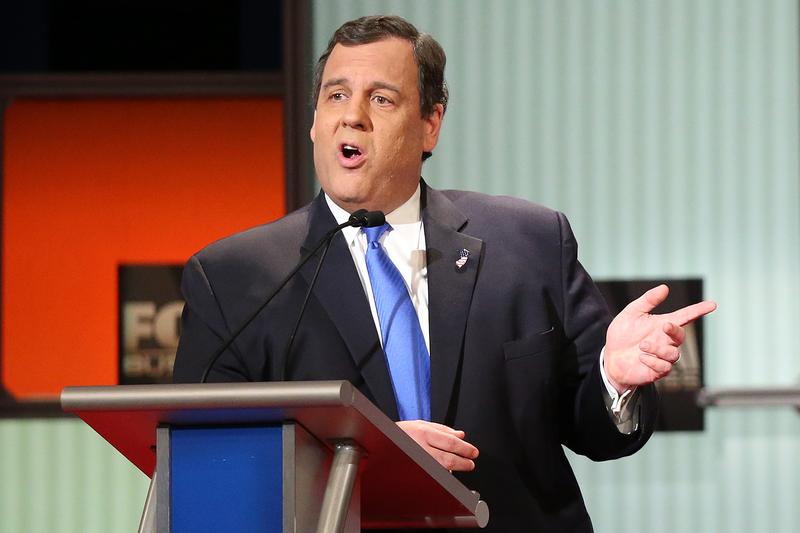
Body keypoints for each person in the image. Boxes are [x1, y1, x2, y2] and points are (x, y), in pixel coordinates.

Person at [173, 15, 716, 531]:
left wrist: (613, 379)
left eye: (380, 99)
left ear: (430, 124)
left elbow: (597, 433)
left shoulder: (528, 242)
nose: (351, 115)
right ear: (315, 121)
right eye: (335, 95)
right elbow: (209, 462)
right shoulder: (234, 279)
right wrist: (369, 461)